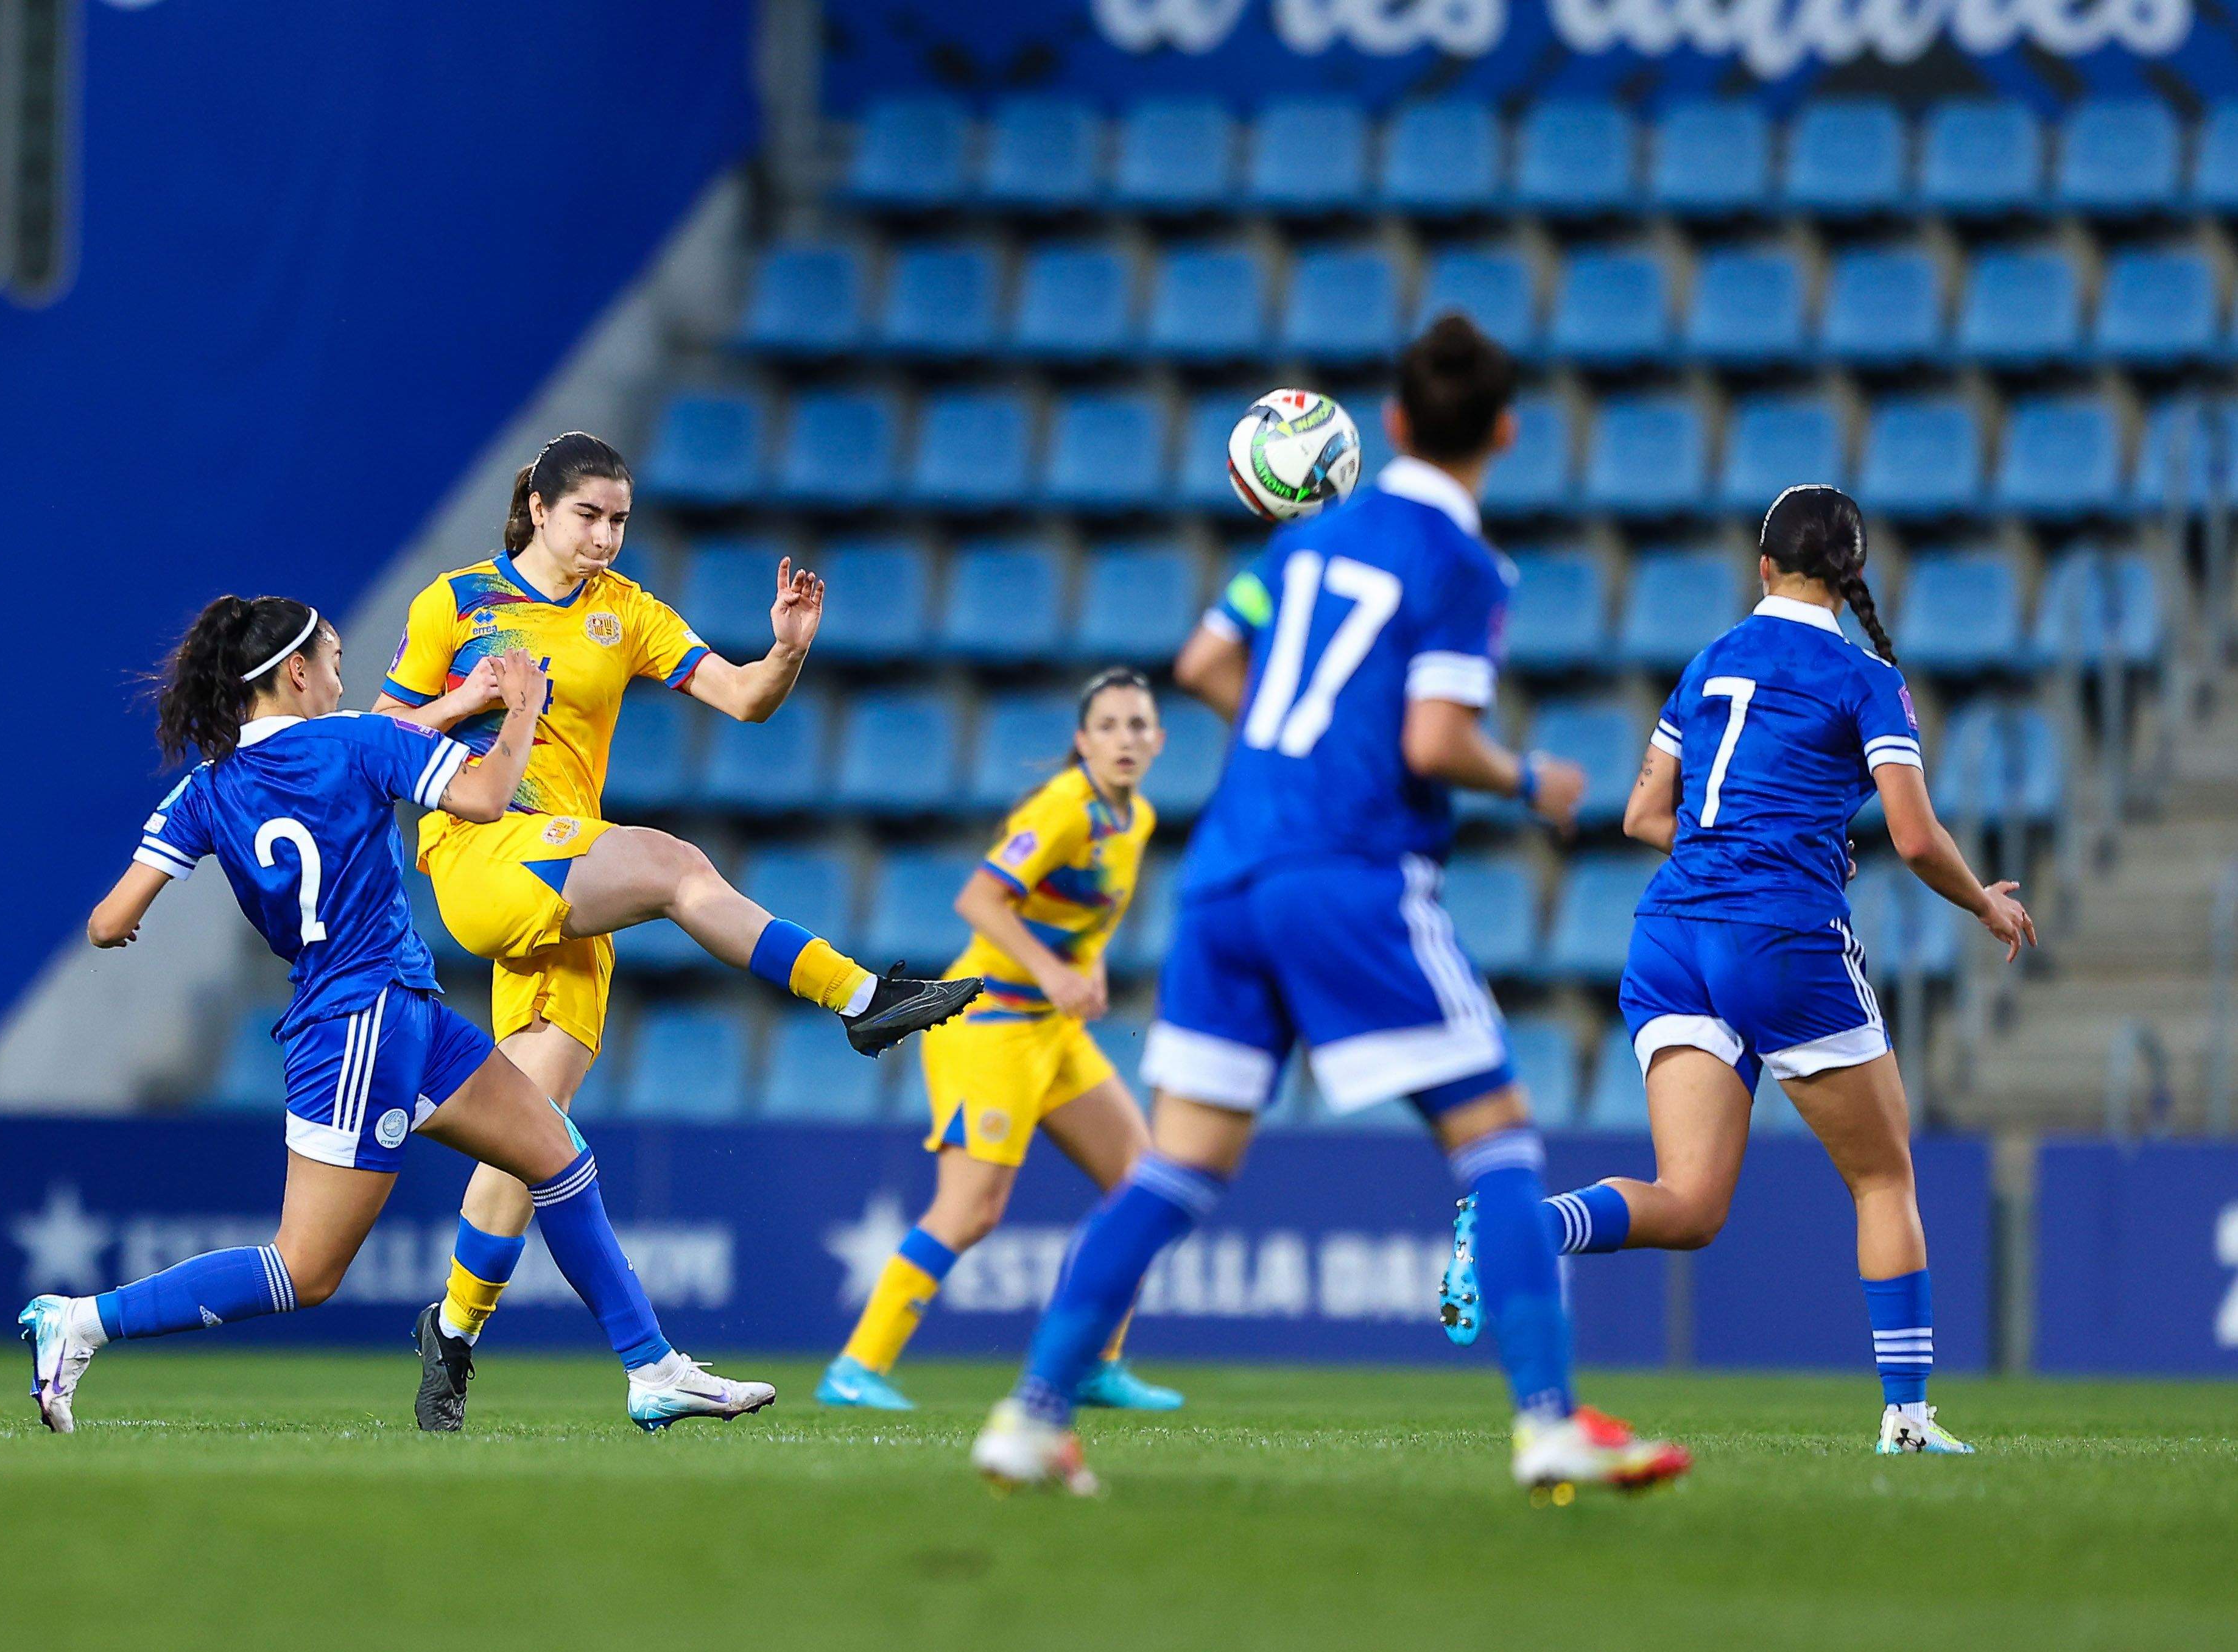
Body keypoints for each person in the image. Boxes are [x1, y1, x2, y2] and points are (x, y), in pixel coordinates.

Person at [970, 315, 1691, 1499]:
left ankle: (1033, 1416)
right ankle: (1550, 1423)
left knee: (1179, 1167)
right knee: (1499, 1139)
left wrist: (1291, 738)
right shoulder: (1463, 567)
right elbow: (1432, 737)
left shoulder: (1304, 544)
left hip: (1226, 876)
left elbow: (1201, 664)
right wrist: (1529, 780)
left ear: (1392, 425)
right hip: (1347, 874)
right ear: (1505, 433)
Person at [20, 596, 775, 1435]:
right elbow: (487, 798)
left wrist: (455, 704)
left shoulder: (208, 790)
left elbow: (109, 922)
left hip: (396, 1011)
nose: (347, 675)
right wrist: (522, 705)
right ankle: (80, 1322)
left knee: (557, 1157)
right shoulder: (357, 741)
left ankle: (652, 1370)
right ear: (297, 672)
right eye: (336, 659)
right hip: (359, 1026)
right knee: (305, 1270)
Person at [371, 432, 979, 1432]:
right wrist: (471, 699)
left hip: (562, 882)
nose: (606, 536)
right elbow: (381, 739)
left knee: (533, 1130)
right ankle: (861, 998)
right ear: (537, 507)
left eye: (619, 519)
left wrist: (784, 650)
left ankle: (454, 1336)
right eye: (587, 516)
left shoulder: (629, 613)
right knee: (672, 866)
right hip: (482, 852)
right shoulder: (457, 601)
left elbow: (743, 700)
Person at [1440, 485, 2033, 1456]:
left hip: (1671, 937)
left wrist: (1737, 851)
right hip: (1783, 938)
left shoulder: (1707, 662)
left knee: (1689, 1204)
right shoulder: (1865, 678)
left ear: (1761, 567)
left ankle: (1519, 1228)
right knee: (1883, 1182)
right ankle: (1908, 1423)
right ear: (1850, 576)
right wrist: (1984, 901)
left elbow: (1640, 817)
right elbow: (1916, 838)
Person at [819, 669, 1183, 1414]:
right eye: (1108, 725)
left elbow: (1083, 914)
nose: (1125, 739)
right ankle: (856, 1367)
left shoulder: (1135, 818)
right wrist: (1054, 972)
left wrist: (1089, 968)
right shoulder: (1061, 811)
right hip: (990, 1027)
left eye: (1139, 725)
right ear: (1083, 742)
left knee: (1142, 1183)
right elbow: (979, 898)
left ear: (1160, 741)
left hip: (1051, 1030)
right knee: (972, 1210)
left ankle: (1095, 1364)